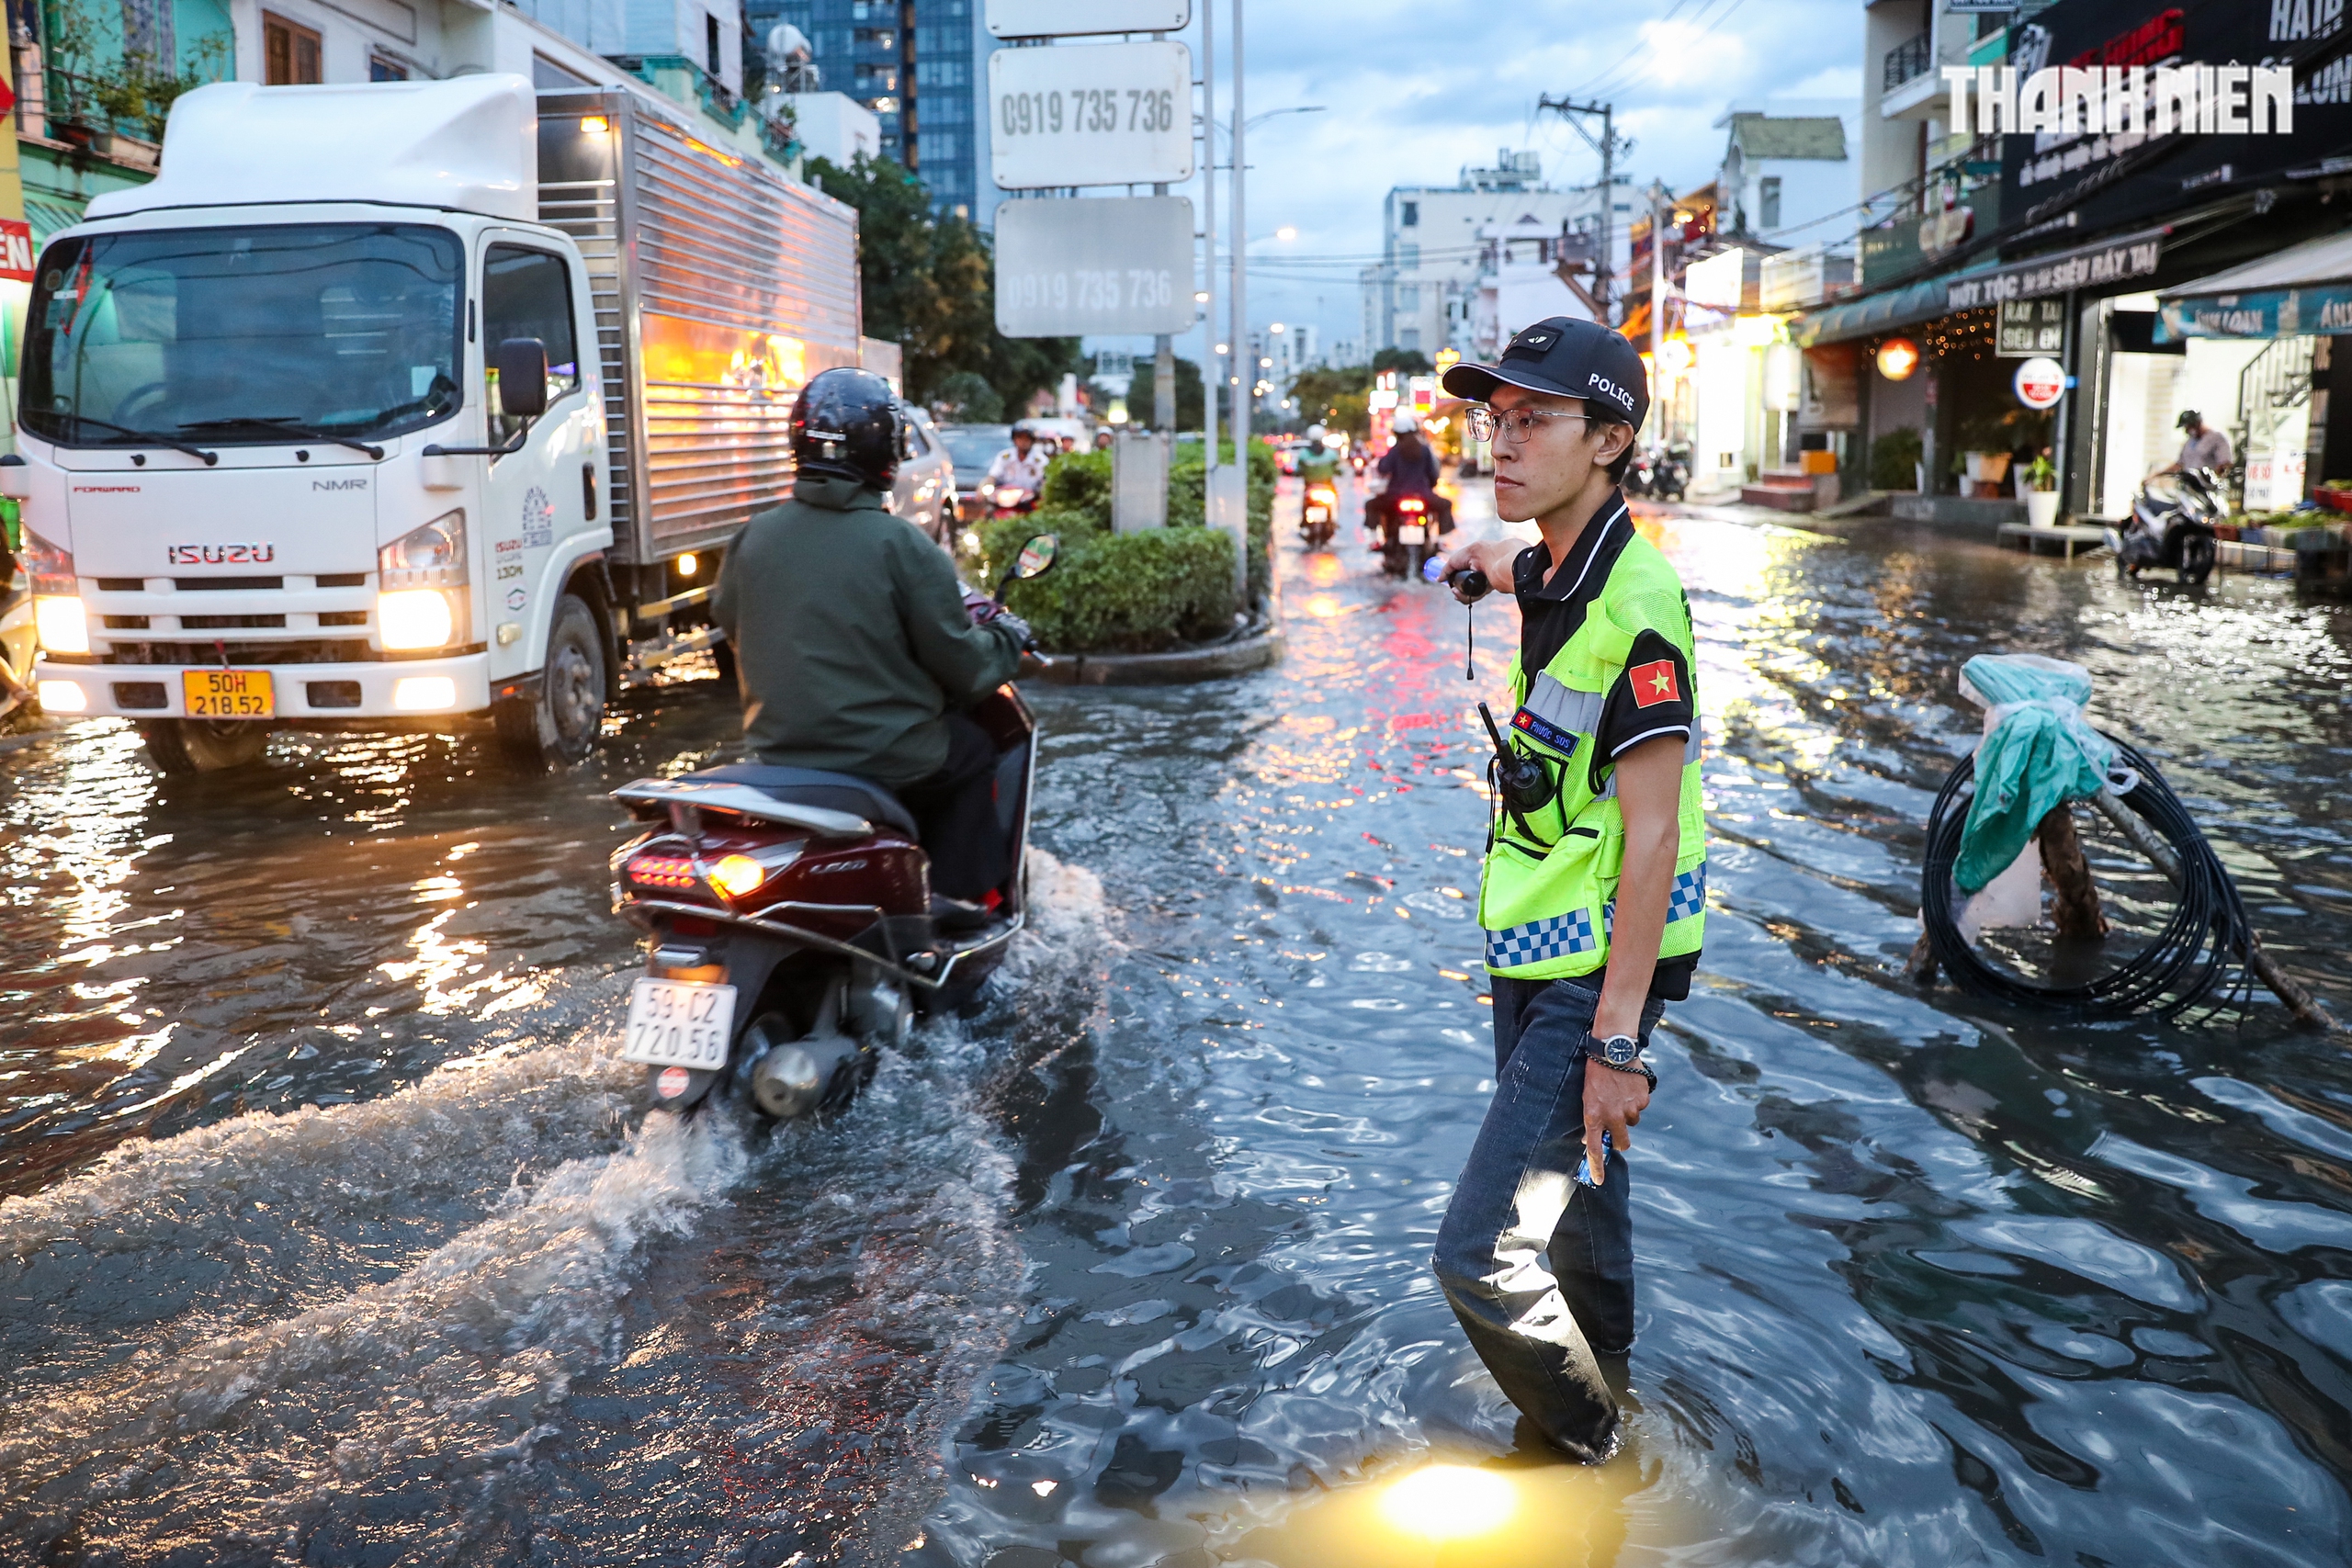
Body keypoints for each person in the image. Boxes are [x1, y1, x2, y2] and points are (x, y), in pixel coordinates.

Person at [1428, 317, 1708, 1464]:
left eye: (1532, 419)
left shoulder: (1639, 611)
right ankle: (1617, 1386)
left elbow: (1649, 840)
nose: (1501, 442)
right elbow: (1519, 565)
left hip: (1592, 972)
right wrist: (1480, 567)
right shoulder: (1559, 563)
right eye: (1494, 419)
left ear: (1608, 440)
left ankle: (1592, 1449)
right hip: (1536, 951)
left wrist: (1616, 1045)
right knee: (1585, 1221)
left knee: (1481, 1254)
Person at [713, 367, 1031, 910]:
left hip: (777, 757)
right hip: (884, 758)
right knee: (975, 751)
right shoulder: (903, 547)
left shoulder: (753, 537)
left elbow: (731, 625)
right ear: (887, 450)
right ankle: (961, 905)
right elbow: (966, 667)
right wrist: (1006, 640)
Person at [1367, 411, 1455, 537]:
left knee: (1370, 505)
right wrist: (1430, 486)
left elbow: (1383, 468)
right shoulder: (1424, 450)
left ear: (1397, 433)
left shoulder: (1395, 451)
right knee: (1446, 504)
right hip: (1423, 495)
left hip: (1395, 497)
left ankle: (1374, 538)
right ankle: (1440, 539)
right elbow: (1433, 474)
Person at [984, 425, 1050, 512]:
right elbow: (993, 475)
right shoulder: (1005, 456)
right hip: (1005, 496)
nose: (1023, 442)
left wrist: (1043, 493)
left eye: (1026, 439)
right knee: (988, 510)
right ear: (1014, 440)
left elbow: (1045, 480)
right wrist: (988, 488)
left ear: (1032, 441)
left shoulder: (1040, 460)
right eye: (1020, 438)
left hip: (1030, 498)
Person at [2157, 410, 2233, 478]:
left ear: (2197, 424)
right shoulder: (2189, 441)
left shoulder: (2217, 438)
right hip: (2189, 487)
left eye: (2188, 427)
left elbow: (2225, 464)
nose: (2186, 431)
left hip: (2207, 487)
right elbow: (2179, 464)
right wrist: (2157, 475)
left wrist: (2213, 478)